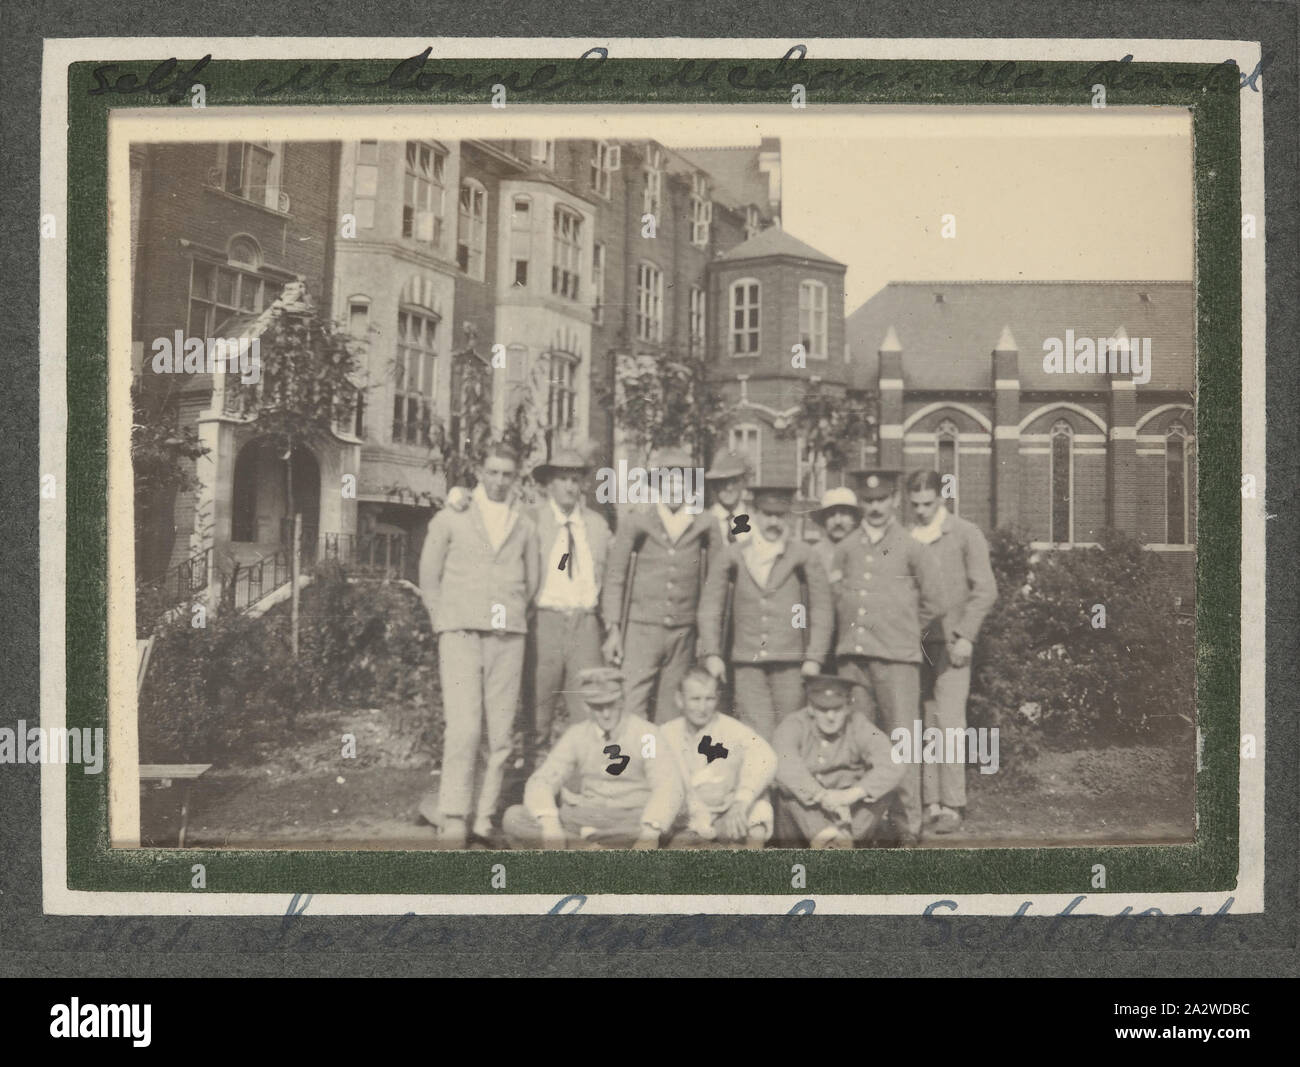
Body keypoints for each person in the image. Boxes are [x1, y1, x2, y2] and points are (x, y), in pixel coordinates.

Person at [417, 443, 539, 849]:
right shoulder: (454, 514)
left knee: (501, 734)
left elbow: (533, 580)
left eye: (508, 473)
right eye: (493, 472)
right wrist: (443, 620)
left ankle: (484, 818)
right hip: (461, 634)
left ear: (516, 476)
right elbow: (429, 575)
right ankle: (453, 816)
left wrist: (513, 611)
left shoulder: (524, 524)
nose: (500, 480)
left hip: (507, 637)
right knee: (465, 728)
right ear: (481, 471)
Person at [830, 468, 947, 846]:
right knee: (863, 744)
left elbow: (934, 601)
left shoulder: (913, 548)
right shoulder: (846, 548)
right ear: (860, 503)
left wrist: (905, 632)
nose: (876, 507)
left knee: (901, 742)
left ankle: (908, 824)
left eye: (882, 500)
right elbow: (836, 598)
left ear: (895, 500)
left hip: (897, 661)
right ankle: (867, 825)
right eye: (868, 500)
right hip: (853, 659)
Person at [697, 485, 832, 740]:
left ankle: (786, 780)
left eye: (780, 515)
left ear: (789, 516)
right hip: (748, 659)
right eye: (766, 514)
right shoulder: (734, 555)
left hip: (791, 661)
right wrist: (712, 653)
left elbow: (821, 609)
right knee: (754, 730)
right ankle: (762, 781)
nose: (773, 522)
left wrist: (815, 657)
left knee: (790, 729)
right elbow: (711, 606)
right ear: (753, 514)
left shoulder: (803, 555)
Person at [906, 469, 998, 835]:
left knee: (949, 723)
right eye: (914, 504)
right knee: (923, 724)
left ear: (941, 499)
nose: (921, 511)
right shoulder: (906, 536)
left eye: (928, 504)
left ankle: (953, 803)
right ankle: (930, 802)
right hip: (915, 646)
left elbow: (985, 589)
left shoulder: (964, 533)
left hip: (953, 643)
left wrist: (966, 635)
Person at [501, 667, 684, 849]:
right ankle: (598, 852)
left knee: (664, 828)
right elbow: (543, 780)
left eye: (611, 704)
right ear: (586, 706)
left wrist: (650, 833)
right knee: (514, 818)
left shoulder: (645, 735)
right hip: (587, 817)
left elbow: (667, 784)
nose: (606, 714)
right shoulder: (577, 735)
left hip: (632, 820)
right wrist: (550, 825)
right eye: (597, 706)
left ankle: (586, 851)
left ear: (622, 700)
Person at [600, 447, 720, 723]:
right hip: (641, 629)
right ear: (658, 484)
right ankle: (629, 764)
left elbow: (714, 586)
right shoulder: (638, 522)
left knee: (672, 709)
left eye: (682, 480)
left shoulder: (704, 524)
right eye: (669, 480)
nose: (676, 487)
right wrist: (614, 628)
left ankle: (663, 764)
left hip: (683, 633)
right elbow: (616, 577)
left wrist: (707, 634)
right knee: (632, 702)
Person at [527, 448, 613, 760]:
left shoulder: (597, 526)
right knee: (537, 710)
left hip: (585, 623)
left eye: (575, 479)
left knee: (589, 711)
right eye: (562, 479)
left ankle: (587, 790)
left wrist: (611, 627)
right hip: (545, 621)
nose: (569, 486)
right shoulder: (531, 520)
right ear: (548, 484)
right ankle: (533, 789)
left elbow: (612, 577)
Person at [772, 673, 904, 848]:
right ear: (810, 708)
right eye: (823, 709)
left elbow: (893, 763)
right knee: (789, 792)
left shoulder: (858, 724)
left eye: (837, 709)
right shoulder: (794, 724)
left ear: (848, 707)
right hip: (811, 809)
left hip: (850, 808)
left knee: (883, 791)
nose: (831, 717)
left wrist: (851, 795)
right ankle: (829, 839)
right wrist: (821, 796)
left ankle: (840, 841)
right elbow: (785, 764)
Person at [660, 666, 778, 848]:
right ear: (680, 700)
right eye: (695, 699)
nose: (702, 708)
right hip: (688, 821)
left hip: (728, 815)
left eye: (709, 699)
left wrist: (741, 801)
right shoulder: (667, 733)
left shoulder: (732, 729)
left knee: (759, 809)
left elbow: (766, 757)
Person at [809, 486, 863, 578]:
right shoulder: (813, 554)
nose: (838, 521)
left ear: (855, 519)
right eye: (831, 514)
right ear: (824, 520)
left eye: (844, 514)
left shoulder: (866, 551)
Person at [704, 449, 751, 546]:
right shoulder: (704, 523)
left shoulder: (754, 520)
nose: (729, 488)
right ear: (714, 485)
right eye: (723, 482)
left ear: (744, 482)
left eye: (734, 481)